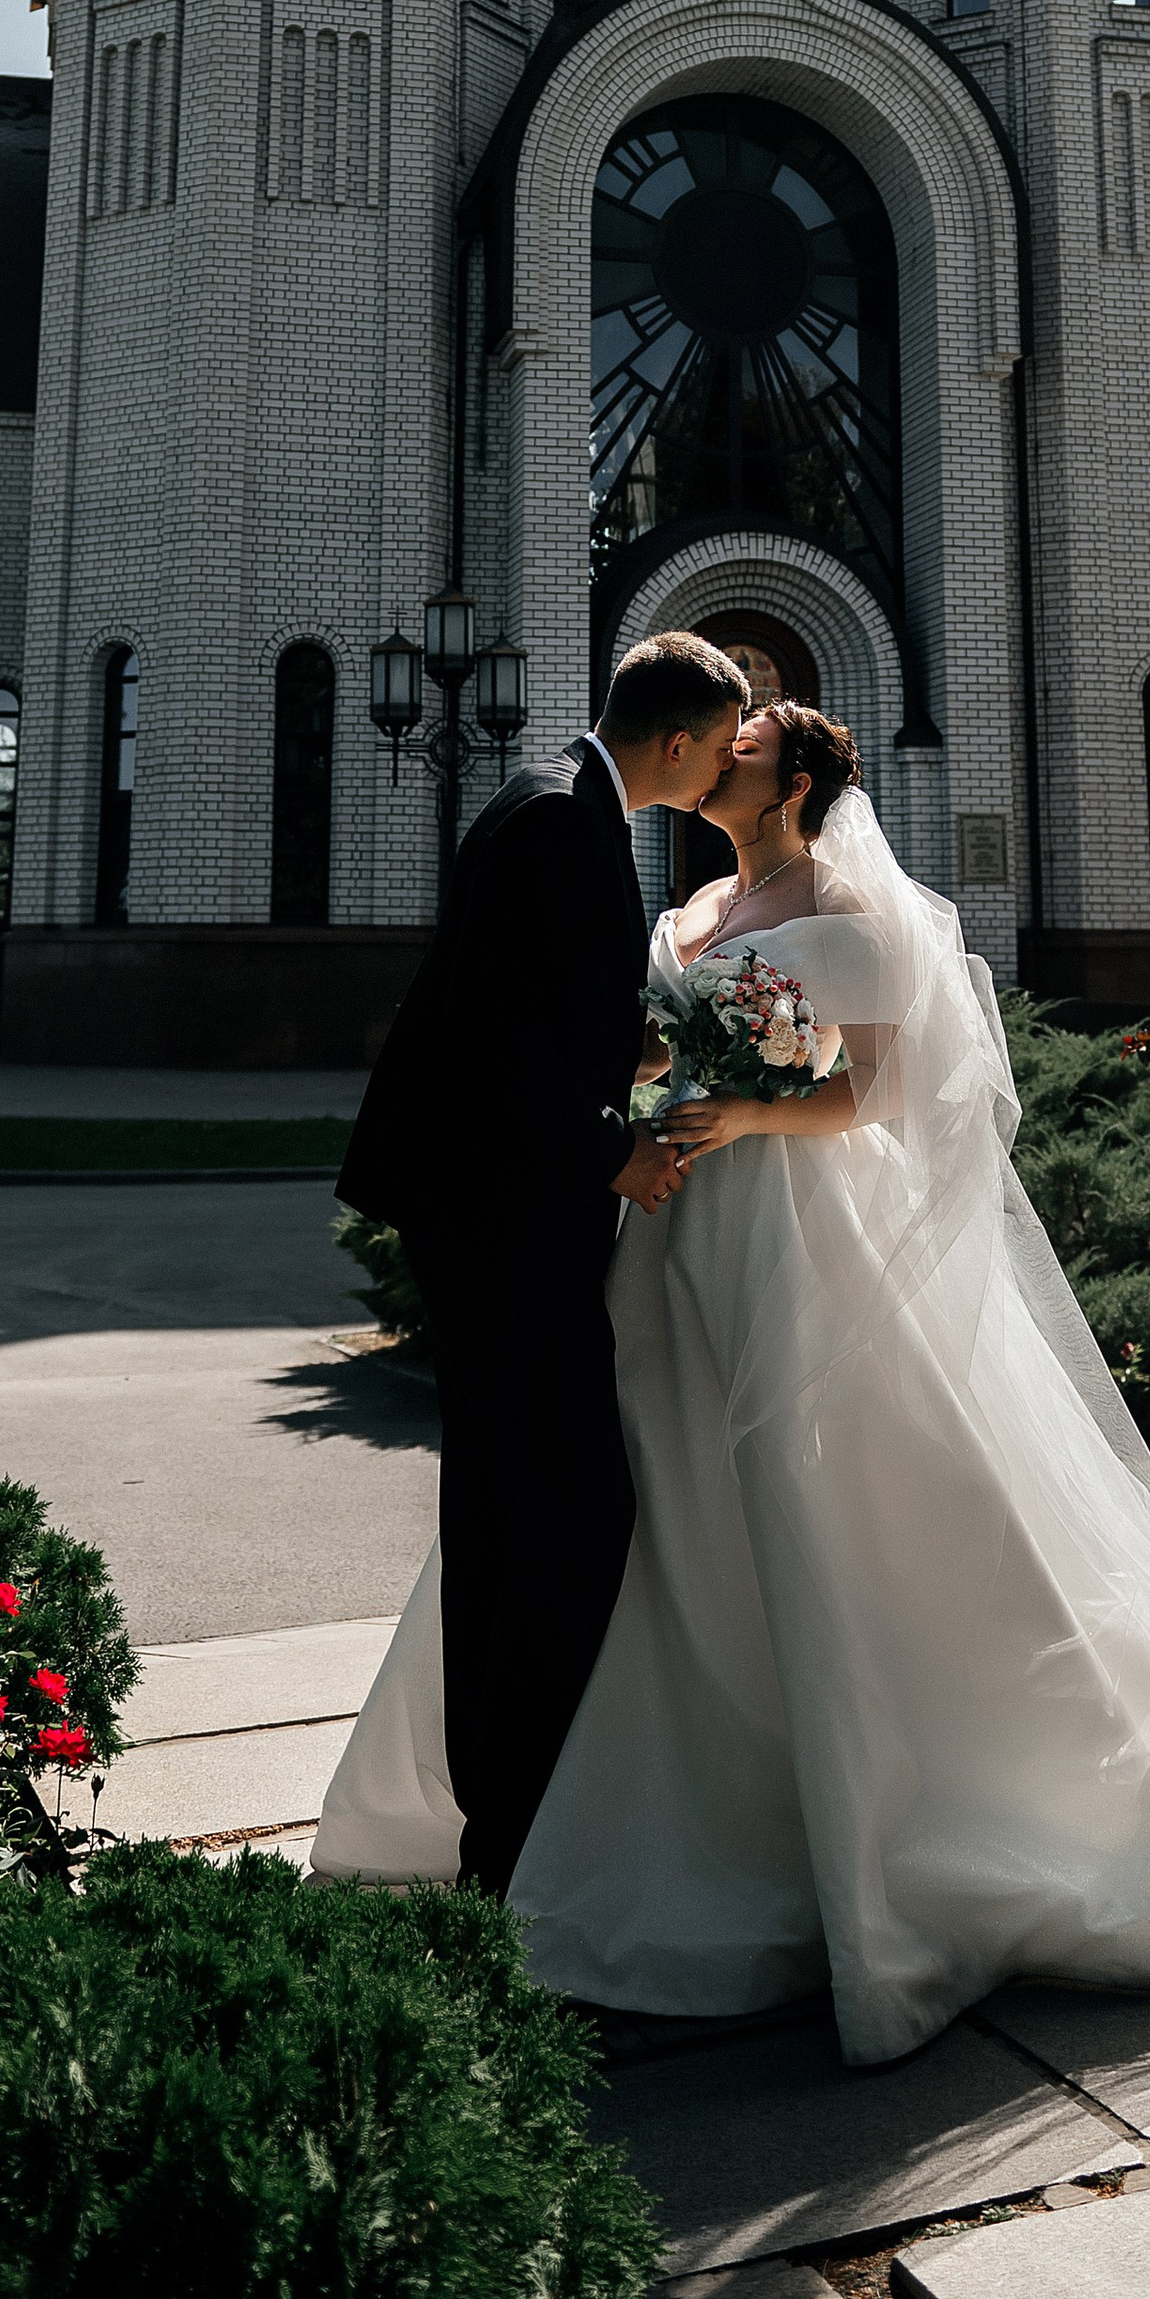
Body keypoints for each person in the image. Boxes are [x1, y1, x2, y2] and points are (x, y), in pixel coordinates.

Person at [317, 702, 1150, 2064]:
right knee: (646, 1492)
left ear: (793, 780)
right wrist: (625, 1104)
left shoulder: (859, 908)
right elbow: (625, 1043)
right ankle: (600, 1820)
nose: (716, 762)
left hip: (798, 1233)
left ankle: (934, 1843)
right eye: (715, 740)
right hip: (676, 1235)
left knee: (829, 1493)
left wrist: (744, 1107)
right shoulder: (690, 909)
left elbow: (874, 1092)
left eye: (742, 751)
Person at [333, 630, 745, 1893]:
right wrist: (602, 1149)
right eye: (722, 745)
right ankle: (509, 1831)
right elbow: (493, 1032)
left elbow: (522, 1002)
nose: (725, 767)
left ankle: (508, 1821)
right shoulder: (565, 818)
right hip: (499, 1217)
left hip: (492, 1209)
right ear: (677, 741)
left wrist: (611, 1053)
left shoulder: (549, 798)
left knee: (515, 1508)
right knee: (558, 1517)